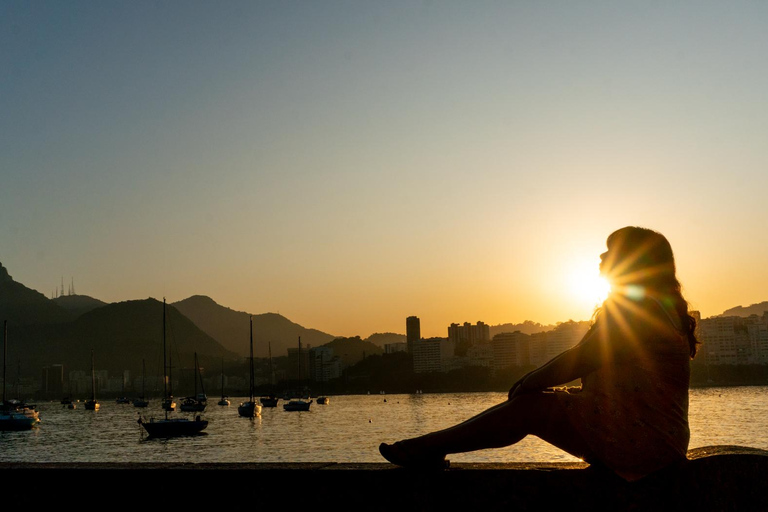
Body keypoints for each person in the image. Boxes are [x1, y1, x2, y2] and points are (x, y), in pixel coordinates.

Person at [379, 226, 699, 481]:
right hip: (654, 439)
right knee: (531, 405)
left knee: (530, 408)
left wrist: (529, 382)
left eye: (611, 251)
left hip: (644, 442)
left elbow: (585, 356)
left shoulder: (642, 309)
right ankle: (431, 446)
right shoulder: (657, 307)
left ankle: (428, 447)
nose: (601, 256)